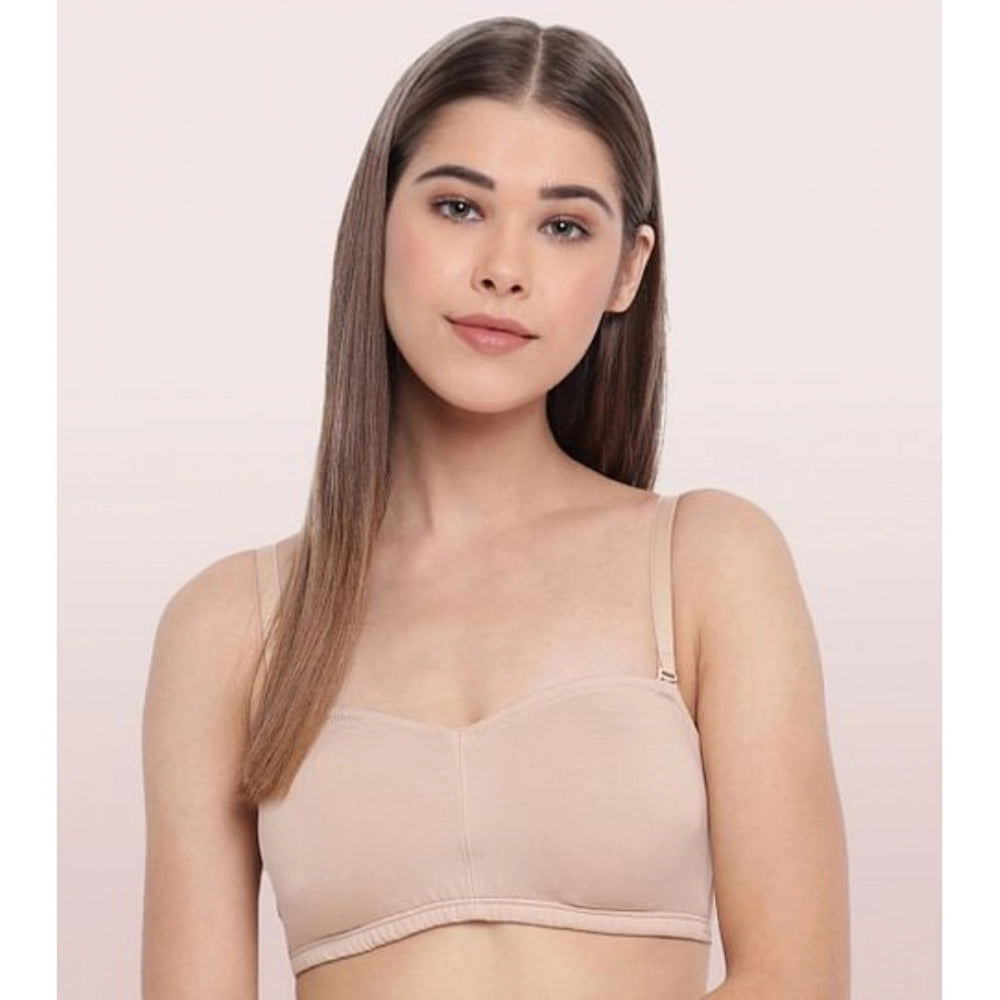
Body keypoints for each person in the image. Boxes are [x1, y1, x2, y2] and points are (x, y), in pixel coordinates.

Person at [140, 16, 850, 1000]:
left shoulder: (709, 565)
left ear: (629, 268)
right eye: (458, 206)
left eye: (564, 226)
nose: (503, 267)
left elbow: (796, 977)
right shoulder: (231, 629)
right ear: (377, 219)